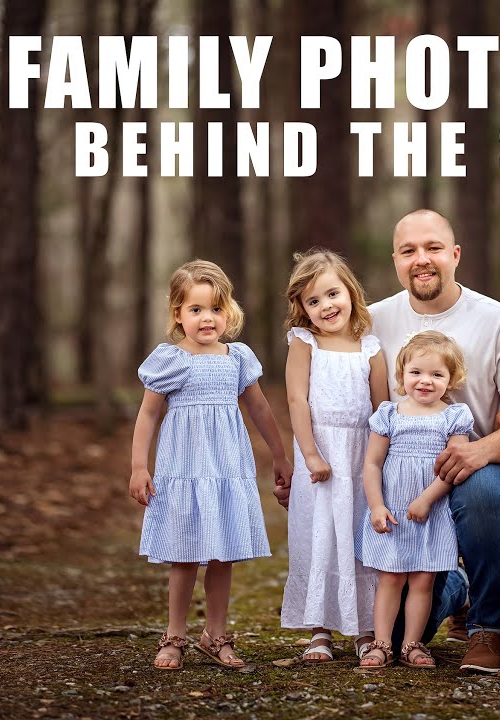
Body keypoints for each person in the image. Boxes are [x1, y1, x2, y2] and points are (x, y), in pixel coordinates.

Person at [368, 209, 500, 673]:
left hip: (483, 467)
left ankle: (486, 627)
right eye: (409, 250)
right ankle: (457, 585)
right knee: (391, 636)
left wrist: (481, 450)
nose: (421, 259)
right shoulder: (371, 321)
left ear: (454, 255)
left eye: (432, 248)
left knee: (483, 487)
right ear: (395, 259)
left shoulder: (497, 321)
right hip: (401, 478)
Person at [128, 259, 291, 670]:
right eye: (196, 309)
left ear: (228, 311)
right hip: (184, 469)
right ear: (178, 314)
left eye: (216, 309)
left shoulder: (237, 357)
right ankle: (174, 636)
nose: (207, 318)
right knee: (184, 556)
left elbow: (259, 408)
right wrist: (138, 466)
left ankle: (215, 635)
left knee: (222, 555)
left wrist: (279, 453)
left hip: (226, 469)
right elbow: (148, 414)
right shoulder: (171, 359)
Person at [279, 249, 387, 664]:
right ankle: (319, 629)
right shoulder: (305, 343)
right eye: (313, 301)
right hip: (320, 454)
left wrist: (377, 464)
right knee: (318, 535)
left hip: (361, 455)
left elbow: (381, 411)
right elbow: (296, 398)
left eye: (332, 294)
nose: (326, 306)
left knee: (359, 538)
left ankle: (364, 628)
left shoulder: (370, 348)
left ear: (350, 293)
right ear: (302, 309)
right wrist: (310, 453)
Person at [357, 332, 475, 669]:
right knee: (390, 579)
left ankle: (412, 644)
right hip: (392, 513)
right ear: (402, 375)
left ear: (451, 380)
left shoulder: (454, 417)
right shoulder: (389, 414)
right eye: (417, 372)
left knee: (423, 581)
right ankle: (380, 644)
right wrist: (377, 506)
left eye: (437, 375)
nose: (425, 381)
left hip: (432, 512)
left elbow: (454, 467)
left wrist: (427, 499)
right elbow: (372, 464)